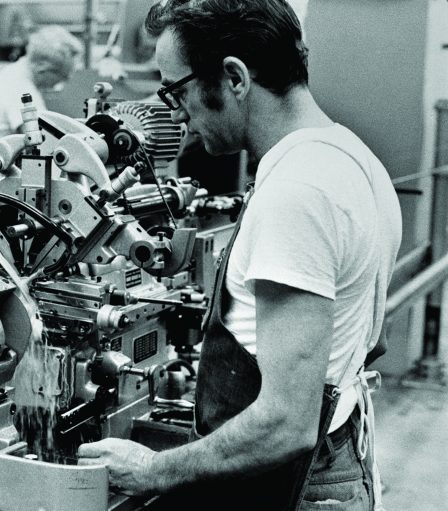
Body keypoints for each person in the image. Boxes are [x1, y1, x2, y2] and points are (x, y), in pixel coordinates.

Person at [77, 1, 402, 510]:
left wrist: (153, 469)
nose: (176, 114)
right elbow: (371, 340)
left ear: (234, 77)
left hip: (294, 488)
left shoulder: (298, 191)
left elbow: (286, 424)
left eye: (176, 91)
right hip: (337, 458)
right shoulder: (352, 158)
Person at [0, 25, 83, 145]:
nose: (60, 85)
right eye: (62, 77)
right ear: (43, 69)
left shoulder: (16, 73)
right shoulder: (19, 85)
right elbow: (39, 140)